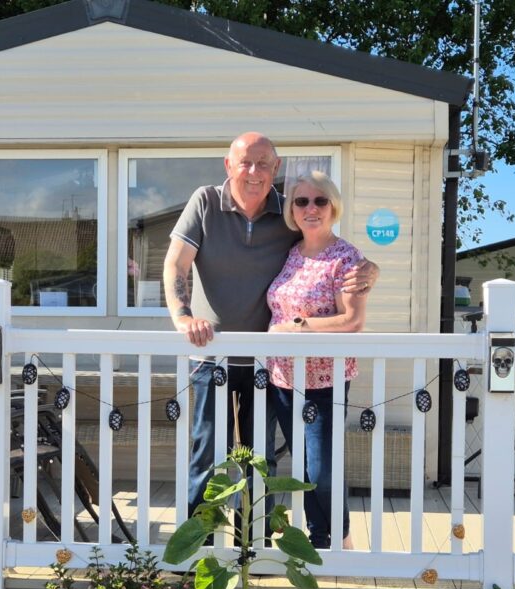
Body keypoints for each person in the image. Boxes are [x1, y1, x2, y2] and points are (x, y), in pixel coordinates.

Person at [162, 132, 378, 515]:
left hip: (268, 364)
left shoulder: (288, 212)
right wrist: (182, 316)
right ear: (228, 165)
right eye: (245, 161)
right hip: (212, 355)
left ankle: (254, 547)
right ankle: (197, 549)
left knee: (259, 460)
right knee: (207, 453)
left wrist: (368, 270)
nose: (254, 171)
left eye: (264, 163)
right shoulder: (206, 201)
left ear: (275, 168)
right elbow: (176, 263)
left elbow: (326, 246)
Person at [266, 171, 367, 549]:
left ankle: (337, 540)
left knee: (321, 468)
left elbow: (352, 320)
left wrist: (298, 327)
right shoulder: (292, 252)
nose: (311, 208)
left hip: (324, 379)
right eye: (301, 201)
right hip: (281, 378)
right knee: (304, 466)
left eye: (320, 201)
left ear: (333, 206)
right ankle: (320, 537)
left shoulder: (347, 257)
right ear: (292, 209)